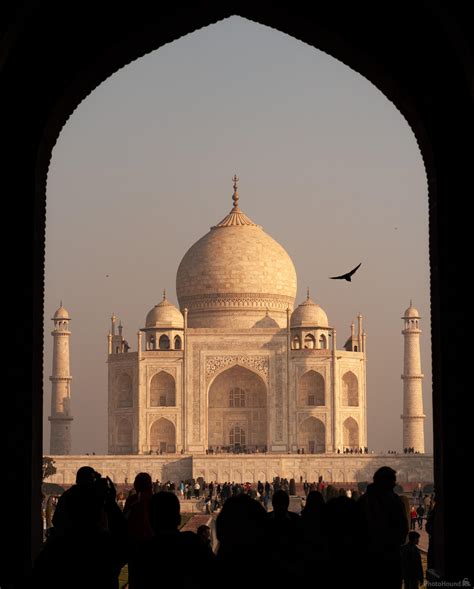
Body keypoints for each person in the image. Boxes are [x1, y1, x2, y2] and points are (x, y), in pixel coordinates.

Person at [358, 466, 408, 589]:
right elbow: (403, 531)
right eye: (393, 482)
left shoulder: (362, 501)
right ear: (388, 483)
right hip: (390, 558)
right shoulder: (395, 502)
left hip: (367, 558)